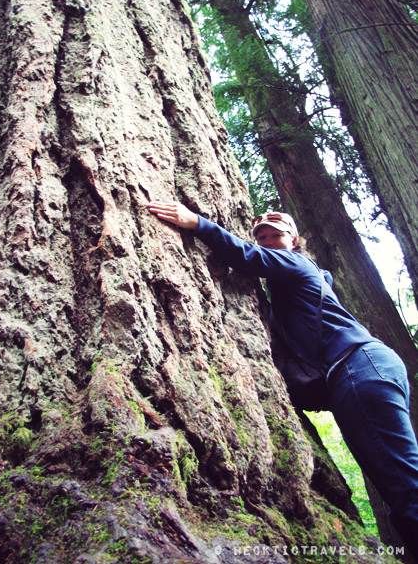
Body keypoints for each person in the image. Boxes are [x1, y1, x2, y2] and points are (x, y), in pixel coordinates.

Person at [147, 200, 418, 560]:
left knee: (403, 483)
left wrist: (197, 223)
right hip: (360, 371)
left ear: (294, 242)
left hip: (359, 365)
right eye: (262, 236)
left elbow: (248, 257)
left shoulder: (299, 265)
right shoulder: (289, 297)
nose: (269, 240)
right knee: (393, 482)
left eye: (277, 235)